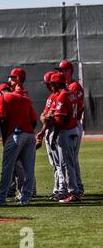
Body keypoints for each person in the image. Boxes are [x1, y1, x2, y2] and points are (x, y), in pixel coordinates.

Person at [0, 80, 37, 206]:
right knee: (28, 169)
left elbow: (2, 120)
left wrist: (5, 139)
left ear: (0, 93)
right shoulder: (25, 99)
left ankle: (1, 199)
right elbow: (34, 121)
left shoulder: (2, 98)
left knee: (7, 168)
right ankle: (25, 199)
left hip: (15, 135)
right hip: (30, 135)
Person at [49, 73, 82, 203]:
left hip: (66, 131)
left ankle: (74, 193)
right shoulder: (71, 93)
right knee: (71, 163)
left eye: (52, 83)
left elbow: (59, 120)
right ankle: (73, 191)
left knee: (66, 164)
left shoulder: (62, 96)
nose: (51, 85)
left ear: (57, 83)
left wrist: (53, 138)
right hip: (74, 129)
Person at [36, 71, 68, 201]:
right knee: (55, 164)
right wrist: (43, 132)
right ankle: (58, 188)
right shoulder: (52, 96)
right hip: (51, 130)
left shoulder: (60, 96)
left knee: (61, 164)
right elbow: (45, 116)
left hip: (58, 130)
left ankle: (64, 189)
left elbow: (51, 118)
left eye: (49, 83)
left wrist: (46, 121)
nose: (48, 86)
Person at [57, 60, 85, 196]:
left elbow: (79, 107)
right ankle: (77, 186)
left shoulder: (74, 86)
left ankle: (76, 188)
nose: (61, 72)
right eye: (60, 70)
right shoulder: (66, 86)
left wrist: (73, 121)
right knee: (72, 158)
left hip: (73, 125)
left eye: (63, 70)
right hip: (71, 124)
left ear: (70, 71)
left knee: (71, 159)